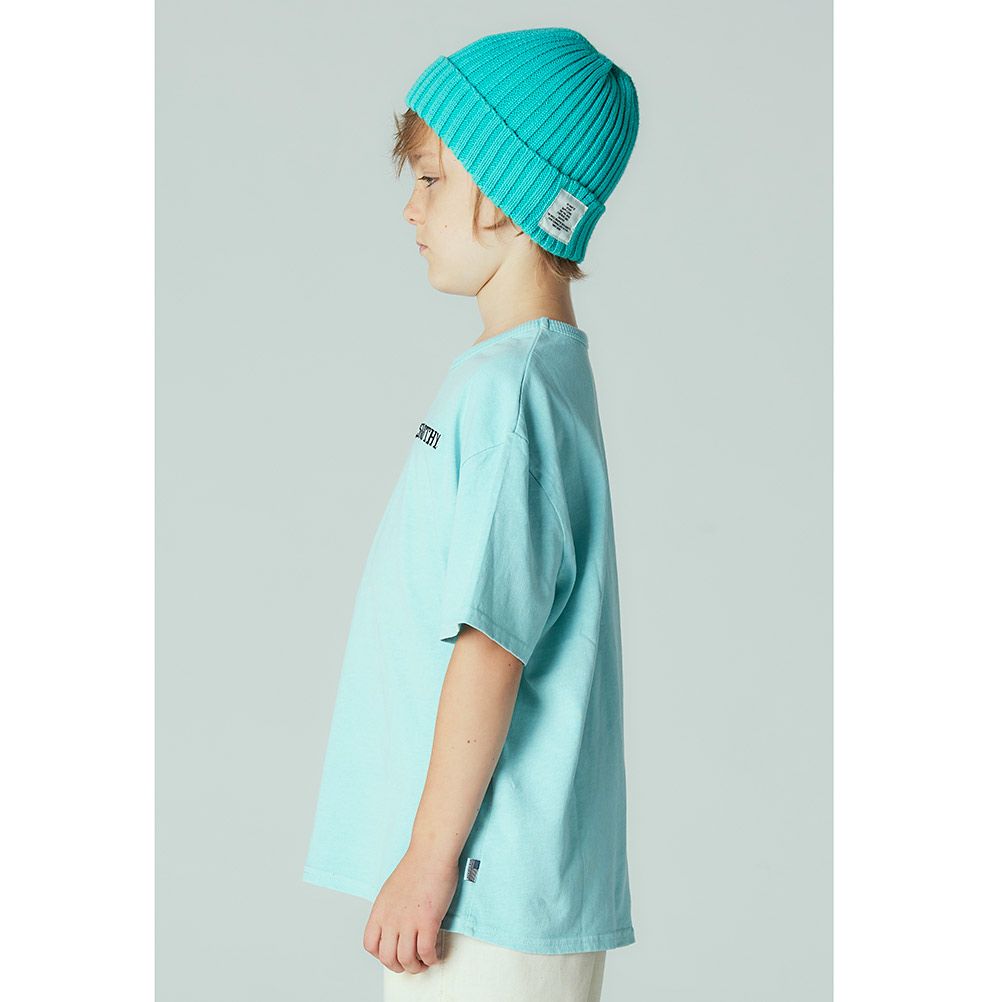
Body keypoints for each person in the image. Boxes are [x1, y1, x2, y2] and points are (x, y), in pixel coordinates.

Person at [302, 26, 641, 1002]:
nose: (411, 208)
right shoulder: (542, 378)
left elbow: (492, 645)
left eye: (431, 180)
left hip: (477, 893)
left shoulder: (511, 392)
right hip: (495, 890)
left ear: (503, 190)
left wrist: (426, 860)